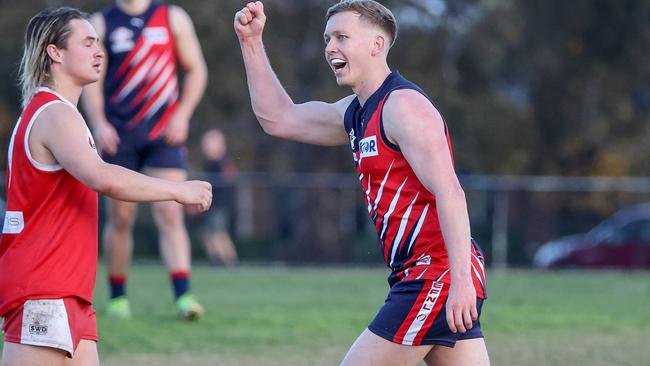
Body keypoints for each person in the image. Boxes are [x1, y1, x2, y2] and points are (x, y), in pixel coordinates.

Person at [234, 1, 489, 365]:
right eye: (327, 39)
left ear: (377, 45)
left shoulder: (403, 107)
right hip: (425, 274)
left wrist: (461, 282)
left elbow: (451, 192)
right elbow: (279, 119)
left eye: (341, 37)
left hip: (438, 272)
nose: (330, 47)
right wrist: (251, 41)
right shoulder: (355, 111)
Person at [0, 7, 211, 365]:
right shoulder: (54, 113)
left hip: (70, 295)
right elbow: (104, 177)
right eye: (87, 43)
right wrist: (178, 190)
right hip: (45, 293)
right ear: (55, 52)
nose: (99, 52)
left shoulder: (62, 113)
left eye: (98, 43)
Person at [81, 0, 208, 320]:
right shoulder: (103, 22)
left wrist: (183, 115)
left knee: (171, 211)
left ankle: (184, 298)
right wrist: (98, 122)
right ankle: (118, 298)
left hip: (164, 135)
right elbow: (91, 78)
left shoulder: (172, 17)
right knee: (121, 218)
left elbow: (196, 70)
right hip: (119, 136)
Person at [189, 128, 238, 266]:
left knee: (219, 234)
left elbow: (229, 182)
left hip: (219, 206)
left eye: (209, 143)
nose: (205, 147)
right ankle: (218, 262)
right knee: (208, 234)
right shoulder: (211, 164)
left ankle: (229, 264)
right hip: (211, 206)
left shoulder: (222, 163)